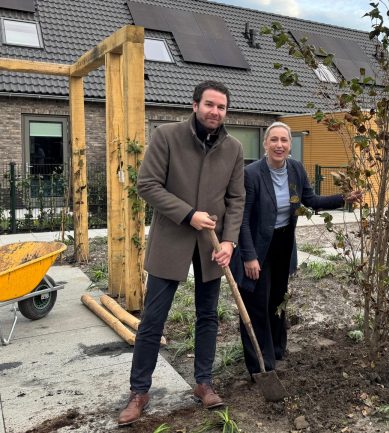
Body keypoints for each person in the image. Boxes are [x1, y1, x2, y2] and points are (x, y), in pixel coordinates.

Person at [118, 80, 245, 426]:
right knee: (153, 318)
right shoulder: (167, 136)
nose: (215, 112)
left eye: (221, 107)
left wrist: (230, 241)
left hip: (211, 245)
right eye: (209, 105)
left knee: (208, 316)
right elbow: (147, 185)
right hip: (171, 239)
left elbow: (236, 199)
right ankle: (139, 391)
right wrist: (188, 214)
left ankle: (204, 382)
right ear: (195, 105)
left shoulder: (233, 148)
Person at [231, 121, 362, 375]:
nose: (279, 145)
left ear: (290, 144)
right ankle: (260, 364)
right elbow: (242, 219)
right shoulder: (252, 174)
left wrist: (343, 198)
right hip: (258, 246)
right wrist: (248, 256)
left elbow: (311, 200)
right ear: (265, 144)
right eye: (274, 140)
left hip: (283, 244)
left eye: (284, 140)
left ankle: (277, 350)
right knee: (256, 303)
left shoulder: (295, 169)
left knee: (278, 299)